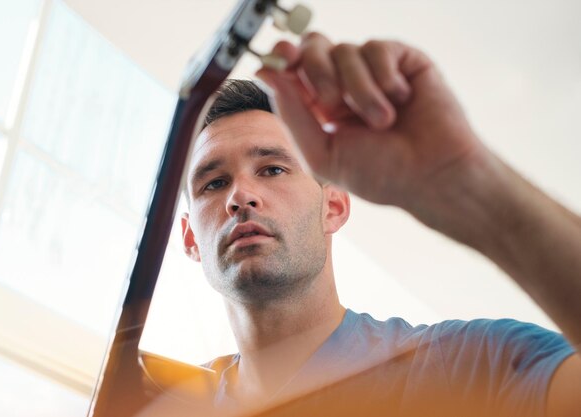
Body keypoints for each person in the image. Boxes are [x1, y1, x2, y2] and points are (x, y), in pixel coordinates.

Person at [178, 33, 580, 416]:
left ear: (332, 207)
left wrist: (472, 183)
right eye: (214, 183)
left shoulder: (471, 367)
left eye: (272, 169)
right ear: (191, 237)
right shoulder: (164, 404)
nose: (240, 196)